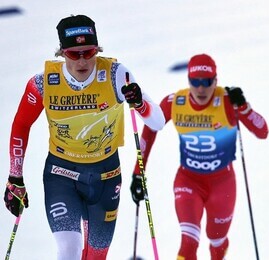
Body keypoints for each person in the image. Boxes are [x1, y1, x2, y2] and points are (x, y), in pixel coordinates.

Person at [3, 14, 165, 260]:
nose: (82, 61)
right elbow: (21, 125)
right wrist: (15, 177)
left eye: (88, 53)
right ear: (61, 53)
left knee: (96, 256)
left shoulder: (116, 74)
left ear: (97, 50)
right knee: (69, 250)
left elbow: (158, 121)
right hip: (61, 173)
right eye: (73, 54)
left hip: (106, 175)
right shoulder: (43, 83)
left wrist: (140, 103)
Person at [129, 53, 269, 260]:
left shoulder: (227, 101)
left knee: (217, 241)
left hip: (222, 184)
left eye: (207, 82)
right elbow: (150, 130)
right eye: (195, 82)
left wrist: (245, 108)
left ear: (216, 81)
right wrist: (138, 173)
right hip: (189, 180)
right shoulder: (175, 102)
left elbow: (262, 131)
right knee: (188, 242)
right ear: (188, 81)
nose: (201, 88)